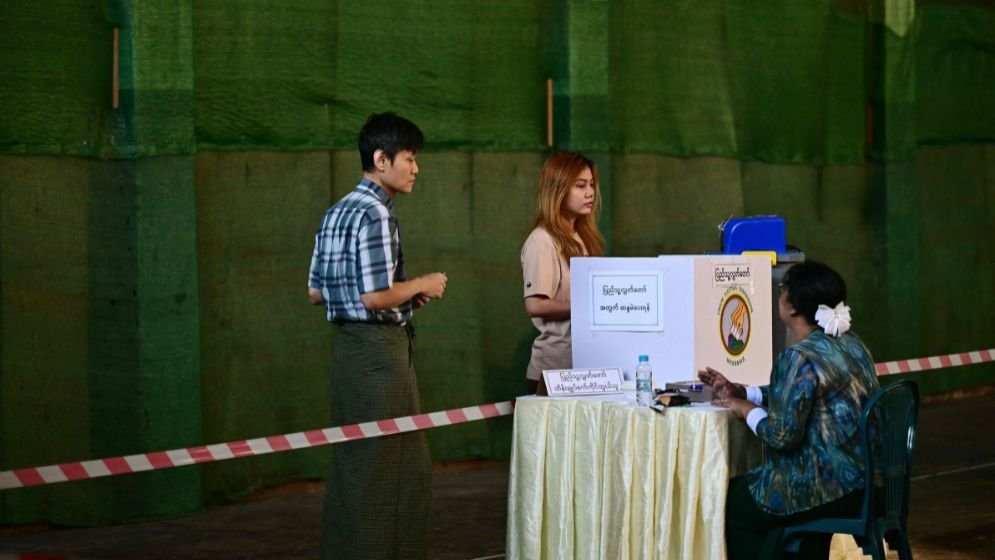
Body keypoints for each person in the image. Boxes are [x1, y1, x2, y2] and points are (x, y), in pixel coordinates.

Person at [308, 112, 447, 560]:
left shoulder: (335, 211)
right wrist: (422, 284)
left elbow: (316, 292)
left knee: (355, 466)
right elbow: (373, 297)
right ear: (381, 160)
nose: (416, 168)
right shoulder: (376, 213)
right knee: (394, 472)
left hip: (347, 356)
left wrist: (402, 299)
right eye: (409, 158)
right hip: (380, 359)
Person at [698, 260, 880, 560]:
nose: (779, 294)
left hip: (826, 487)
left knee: (734, 503)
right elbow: (801, 394)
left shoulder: (798, 357)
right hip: (864, 482)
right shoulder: (850, 343)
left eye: (782, 289)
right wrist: (744, 392)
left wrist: (745, 409)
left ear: (792, 306)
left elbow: (781, 436)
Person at [520, 151, 606, 394]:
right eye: (580, 185)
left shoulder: (583, 237)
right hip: (552, 371)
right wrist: (588, 306)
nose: (590, 192)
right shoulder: (542, 240)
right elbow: (534, 305)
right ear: (558, 189)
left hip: (584, 367)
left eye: (591, 184)